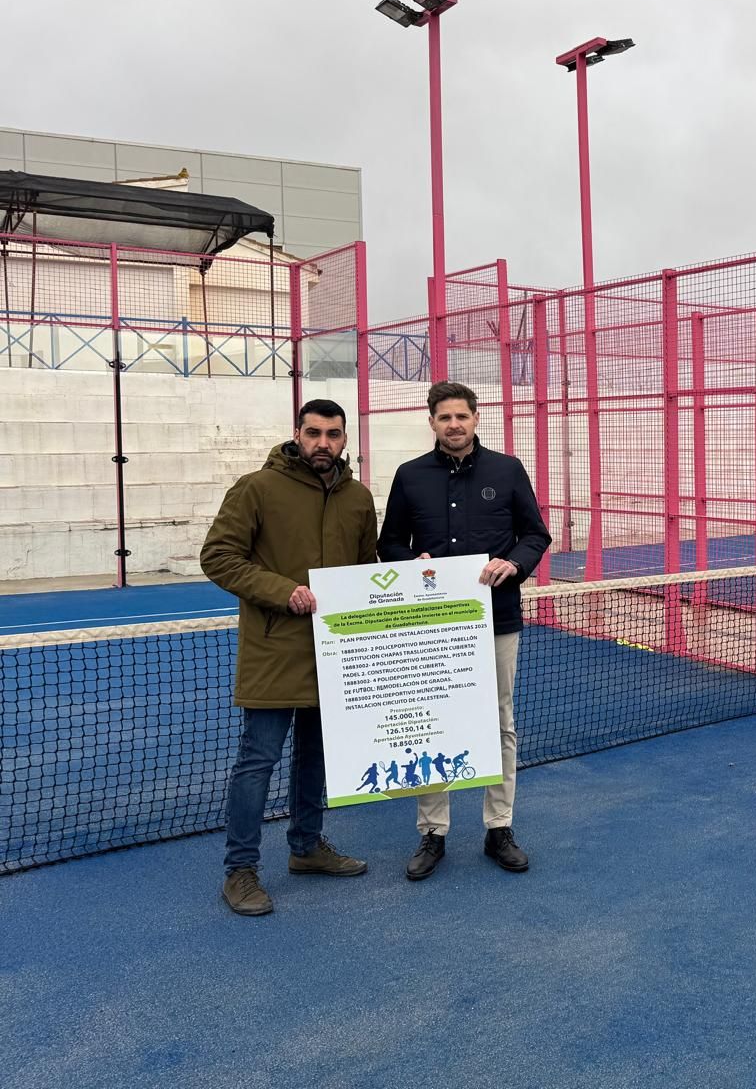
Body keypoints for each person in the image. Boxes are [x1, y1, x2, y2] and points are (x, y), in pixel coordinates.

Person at [201, 399, 377, 916]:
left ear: (345, 440)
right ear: (297, 433)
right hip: (275, 650)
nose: (324, 442)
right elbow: (218, 556)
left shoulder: (359, 498)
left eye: (334, 434)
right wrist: (284, 591)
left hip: (336, 654)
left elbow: (368, 570)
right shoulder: (256, 488)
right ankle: (240, 871)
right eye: (315, 432)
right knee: (258, 761)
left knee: (317, 757)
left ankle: (306, 847)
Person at [379, 380, 551, 880]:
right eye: (444, 417)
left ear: (476, 419)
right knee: (431, 722)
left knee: (500, 722)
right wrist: (414, 561)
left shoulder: (508, 469)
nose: (453, 425)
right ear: (431, 421)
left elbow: (535, 533)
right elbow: (388, 544)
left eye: (462, 416)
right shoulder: (410, 476)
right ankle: (433, 833)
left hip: (497, 617)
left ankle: (499, 828)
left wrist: (514, 564)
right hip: (431, 626)